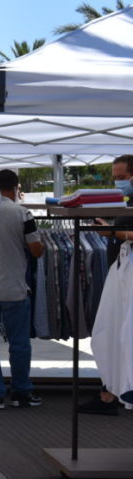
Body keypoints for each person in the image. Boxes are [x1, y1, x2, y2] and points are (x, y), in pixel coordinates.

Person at [0, 170, 45, 409]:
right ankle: (21, 392)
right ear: (16, 187)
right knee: (19, 343)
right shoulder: (22, 213)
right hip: (14, 288)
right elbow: (36, 250)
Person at [83, 154, 133, 415]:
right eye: (115, 177)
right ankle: (110, 391)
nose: (118, 183)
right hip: (121, 271)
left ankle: (113, 392)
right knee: (113, 331)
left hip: (128, 276)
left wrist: (112, 232)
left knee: (120, 331)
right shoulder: (128, 202)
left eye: (122, 178)